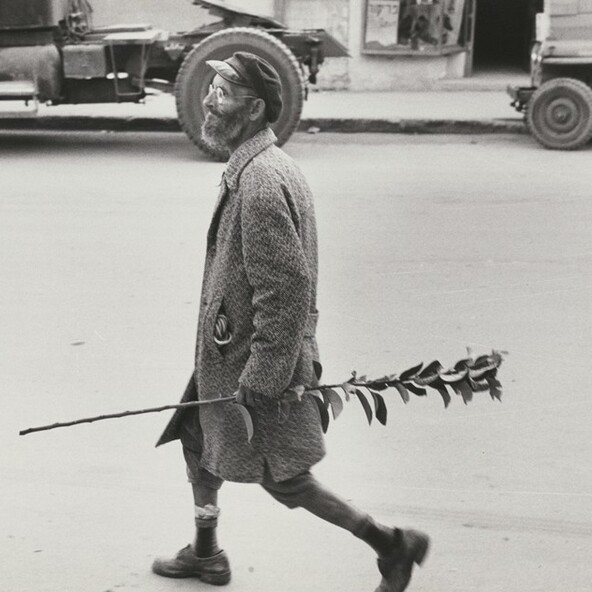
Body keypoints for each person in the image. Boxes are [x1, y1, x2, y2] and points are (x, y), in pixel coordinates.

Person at [153, 51, 429, 591]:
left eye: (223, 93)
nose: (208, 100)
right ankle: (207, 552)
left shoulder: (259, 183)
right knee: (195, 438)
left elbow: (286, 292)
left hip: (257, 368)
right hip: (230, 360)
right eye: (210, 88)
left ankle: (392, 544)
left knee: (288, 480)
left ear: (254, 110)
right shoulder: (261, 167)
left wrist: (262, 379)